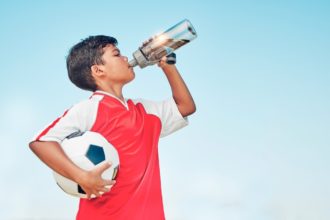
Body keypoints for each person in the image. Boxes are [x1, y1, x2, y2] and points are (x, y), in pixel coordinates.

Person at [29, 35, 196, 220]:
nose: (126, 58)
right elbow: (40, 141)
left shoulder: (145, 111)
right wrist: (81, 176)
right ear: (98, 70)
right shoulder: (90, 108)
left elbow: (185, 107)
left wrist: (168, 66)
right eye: (117, 54)